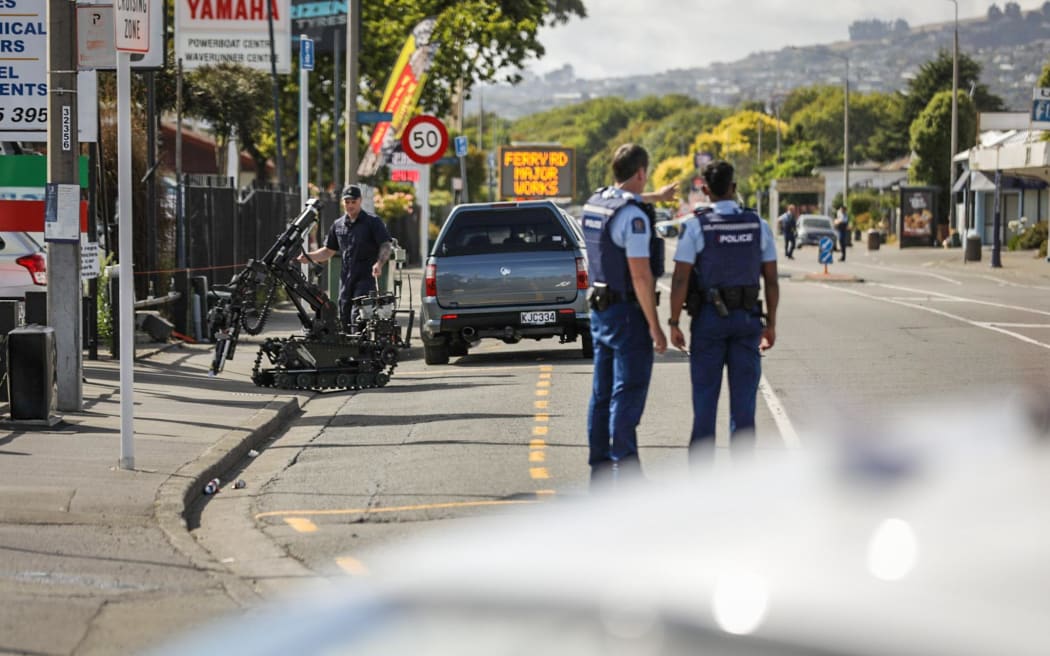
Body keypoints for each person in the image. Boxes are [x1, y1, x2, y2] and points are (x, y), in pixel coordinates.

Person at [667, 160, 779, 460]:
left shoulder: (695, 226)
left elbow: (680, 279)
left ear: (705, 190)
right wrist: (771, 324)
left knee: (704, 406)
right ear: (734, 187)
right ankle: (741, 489)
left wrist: (674, 322)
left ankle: (702, 488)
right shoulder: (758, 225)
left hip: (708, 321)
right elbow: (771, 279)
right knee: (744, 409)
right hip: (747, 320)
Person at [580, 143, 673, 486]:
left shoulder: (596, 202)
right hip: (626, 313)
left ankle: (601, 467)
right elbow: (640, 275)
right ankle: (627, 470)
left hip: (599, 310)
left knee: (601, 392)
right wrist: (655, 326)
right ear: (641, 172)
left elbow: (625, 201)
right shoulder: (633, 217)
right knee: (628, 391)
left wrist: (655, 197)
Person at [298, 184, 393, 329]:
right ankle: (348, 349)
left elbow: (386, 245)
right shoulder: (338, 225)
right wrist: (309, 256)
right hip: (346, 279)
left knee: (359, 315)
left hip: (366, 277)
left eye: (353, 202)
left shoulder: (372, 222)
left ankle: (361, 349)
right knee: (344, 314)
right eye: (347, 202)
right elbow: (328, 251)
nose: (350, 205)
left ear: (360, 201)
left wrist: (379, 264)